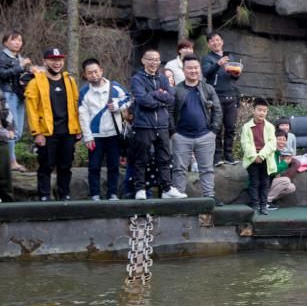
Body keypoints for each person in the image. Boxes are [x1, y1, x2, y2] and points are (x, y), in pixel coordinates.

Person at [24, 47, 81, 201]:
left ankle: (64, 195)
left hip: (68, 131)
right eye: (53, 60)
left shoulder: (70, 81)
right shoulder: (36, 82)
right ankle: (44, 196)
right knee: (45, 166)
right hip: (47, 132)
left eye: (60, 60)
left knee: (65, 166)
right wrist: (37, 132)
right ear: (45, 61)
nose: (57, 63)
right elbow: (32, 110)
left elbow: (76, 106)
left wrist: (78, 128)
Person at [130, 50, 184, 200]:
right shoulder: (137, 79)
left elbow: (171, 97)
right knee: (141, 158)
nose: (154, 62)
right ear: (143, 60)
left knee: (165, 158)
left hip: (162, 124)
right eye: (150, 59)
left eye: (157, 59)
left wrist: (153, 95)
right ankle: (139, 188)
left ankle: (167, 188)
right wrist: (159, 97)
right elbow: (142, 100)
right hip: (144, 125)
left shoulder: (162, 78)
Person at [169, 54, 222, 204]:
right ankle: (178, 198)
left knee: (207, 169)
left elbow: (217, 110)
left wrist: (214, 131)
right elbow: (170, 111)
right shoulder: (176, 90)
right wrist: (173, 132)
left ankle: (209, 197)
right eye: (189, 68)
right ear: (184, 70)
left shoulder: (208, 88)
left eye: (195, 67)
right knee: (179, 169)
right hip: (181, 136)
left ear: (200, 69)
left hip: (205, 135)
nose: (193, 71)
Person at [78, 58, 131, 201]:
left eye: (96, 71)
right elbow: (82, 115)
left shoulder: (114, 87)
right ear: (85, 75)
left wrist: (118, 105)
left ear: (101, 70)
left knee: (113, 165)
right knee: (94, 166)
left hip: (114, 133)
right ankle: (95, 194)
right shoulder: (84, 92)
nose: (94, 75)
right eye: (90, 73)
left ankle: (112, 193)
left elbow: (128, 98)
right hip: (95, 135)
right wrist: (87, 136)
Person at [202, 31, 240, 166]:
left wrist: (236, 72)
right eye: (212, 41)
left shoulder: (230, 57)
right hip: (216, 96)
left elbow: (234, 77)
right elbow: (206, 73)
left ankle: (229, 155)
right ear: (209, 44)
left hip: (231, 95)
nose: (215, 42)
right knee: (217, 127)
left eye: (218, 40)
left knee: (230, 127)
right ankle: (217, 156)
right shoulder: (207, 58)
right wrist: (218, 64)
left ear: (222, 41)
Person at [0, 30, 31, 172]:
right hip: (6, 94)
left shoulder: (18, 57)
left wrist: (31, 73)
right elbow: (2, 74)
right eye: (14, 40)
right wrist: (20, 66)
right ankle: (12, 162)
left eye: (20, 40)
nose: (18, 43)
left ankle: (8, 159)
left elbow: (20, 77)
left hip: (19, 96)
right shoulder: (2, 56)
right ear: (5, 41)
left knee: (17, 132)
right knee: (10, 130)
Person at [240, 98, 275, 214]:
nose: (262, 113)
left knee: (265, 183)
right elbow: (246, 144)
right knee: (254, 182)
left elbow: (272, 143)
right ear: (253, 110)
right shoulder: (246, 127)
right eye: (259, 110)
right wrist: (255, 156)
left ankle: (263, 206)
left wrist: (262, 155)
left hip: (265, 159)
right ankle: (255, 205)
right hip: (252, 159)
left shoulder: (270, 127)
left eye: (264, 111)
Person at [265, 132, 301, 210]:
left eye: (284, 140)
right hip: (261, 183)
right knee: (286, 180)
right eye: (279, 139)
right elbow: (271, 171)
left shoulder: (278, 153)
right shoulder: (269, 152)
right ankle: (266, 201)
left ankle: (267, 199)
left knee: (291, 187)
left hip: (269, 182)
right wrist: (284, 163)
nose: (282, 142)